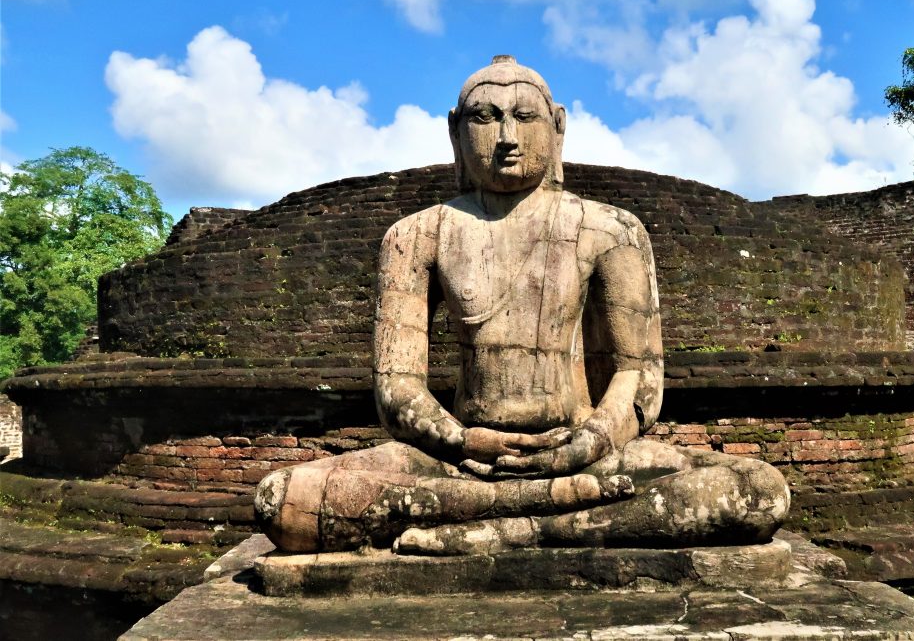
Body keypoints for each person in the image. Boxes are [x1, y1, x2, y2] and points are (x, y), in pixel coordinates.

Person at [255, 56, 789, 555]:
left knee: (757, 491)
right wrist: (463, 439)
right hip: (459, 462)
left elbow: (638, 379)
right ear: (455, 131)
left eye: (525, 117)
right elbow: (397, 388)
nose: (507, 137)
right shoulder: (416, 235)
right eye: (486, 118)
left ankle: (512, 527)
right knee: (282, 499)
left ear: (557, 127)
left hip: (583, 452)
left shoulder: (610, 230)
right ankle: (550, 516)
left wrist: (587, 443)